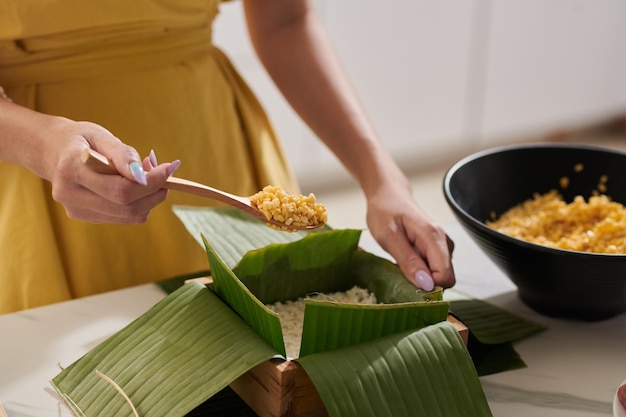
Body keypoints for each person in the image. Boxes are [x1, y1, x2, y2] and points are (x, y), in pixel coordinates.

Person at [0, 0, 455, 315]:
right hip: (34, 175)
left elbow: (285, 22)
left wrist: (384, 182)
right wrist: (42, 143)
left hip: (211, 141)